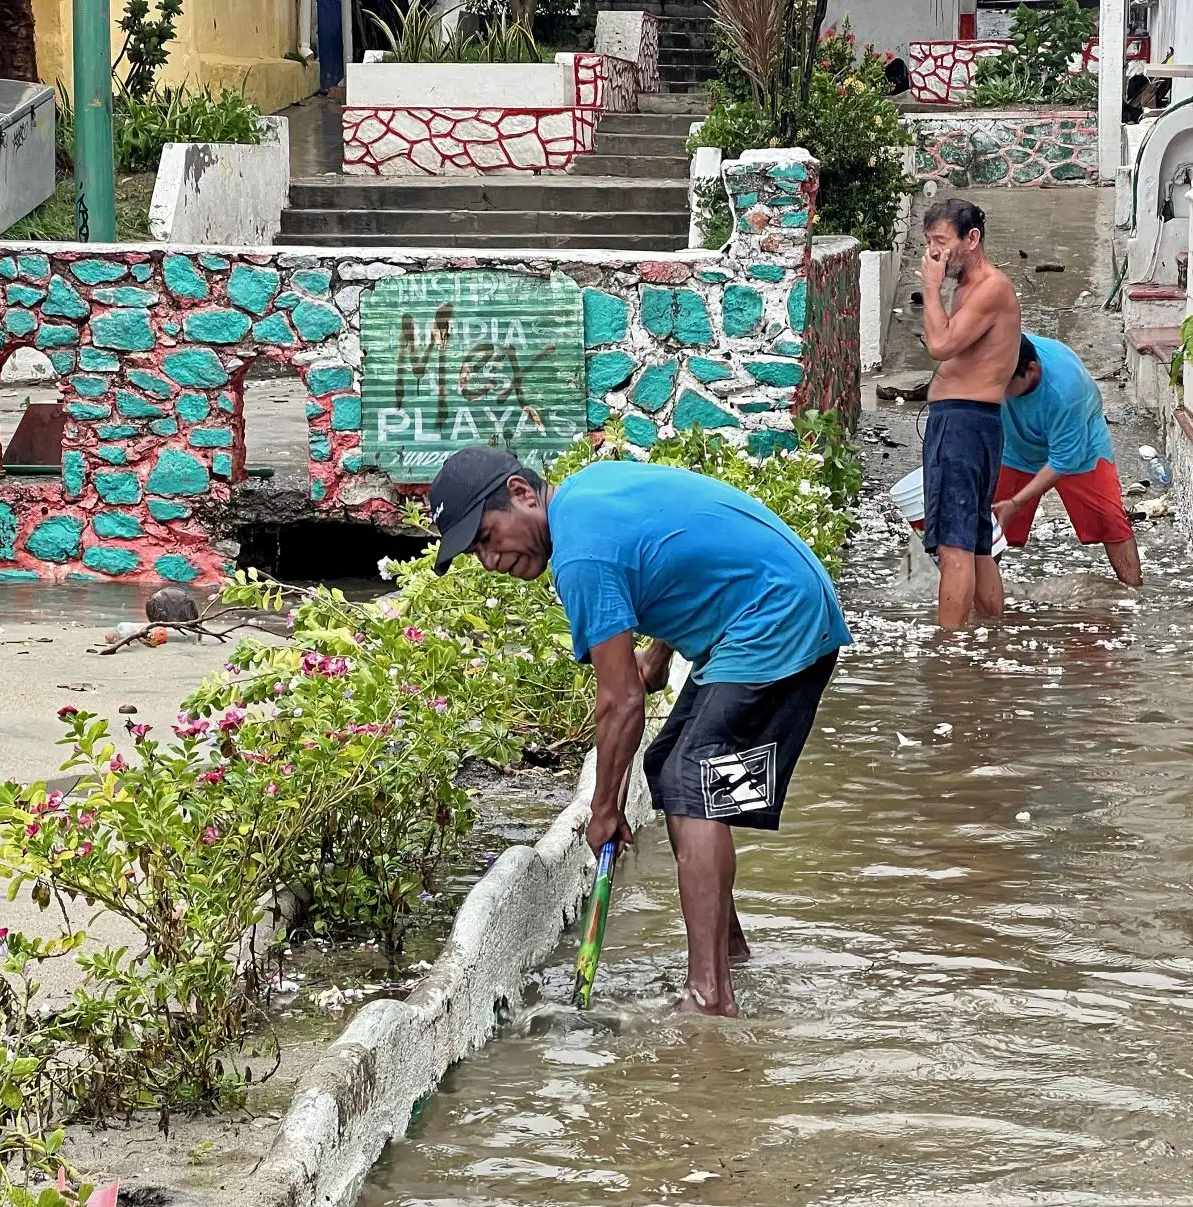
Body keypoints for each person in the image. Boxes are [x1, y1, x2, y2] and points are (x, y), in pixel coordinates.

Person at [428, 446, 851, 1017]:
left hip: (776, 618)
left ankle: (710, 995)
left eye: (486, 536)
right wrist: (660, 652)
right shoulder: (589, 494)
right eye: (476, 550)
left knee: (691, 780)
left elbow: (620, 700)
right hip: (778, 602)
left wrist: (602, 810)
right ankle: (728, 951)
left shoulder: (578, 556)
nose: (489, 559)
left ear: (522, 494)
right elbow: (681, 554)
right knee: (671, 766)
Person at [919, 198, 1022, 629]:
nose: (933, 254)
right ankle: (991, 639)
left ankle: (949, 663)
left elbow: (940, 345)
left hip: (962, 424)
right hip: (972, 424)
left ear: (972, 239)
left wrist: (929, 286)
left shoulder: (990, 288)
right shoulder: (968, 287)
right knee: (978, 542)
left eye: (941, 242)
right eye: (928, 244)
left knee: (953, 547)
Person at [993, 333, 1142, 587]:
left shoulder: (1066, 391)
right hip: (1015, 445)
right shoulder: (1000, 352)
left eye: (1005, 385)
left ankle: (1134, 592)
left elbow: (1063, 461)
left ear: (1032, 369)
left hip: (1081, 447)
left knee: (1109, 520)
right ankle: (977, 593)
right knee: (990, 523)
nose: (997, 390)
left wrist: (1016, 503)